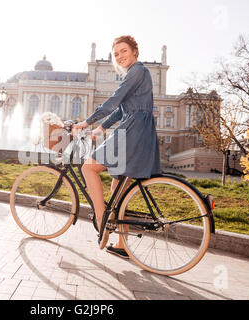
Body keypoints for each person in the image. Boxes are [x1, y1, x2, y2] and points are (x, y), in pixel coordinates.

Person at [73, 35, 162, 258]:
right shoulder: (137, 74)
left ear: (134, 52)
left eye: (123, 51)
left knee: (88, 168)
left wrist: (87, 121)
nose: (120, 56)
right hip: (138, 128)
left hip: (133, 129)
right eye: (116, 54)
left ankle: (102, 221)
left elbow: (115, 99)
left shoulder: (138, 71)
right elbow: (121, 109)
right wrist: (101, 127)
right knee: (118, 188)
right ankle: (123, 244)